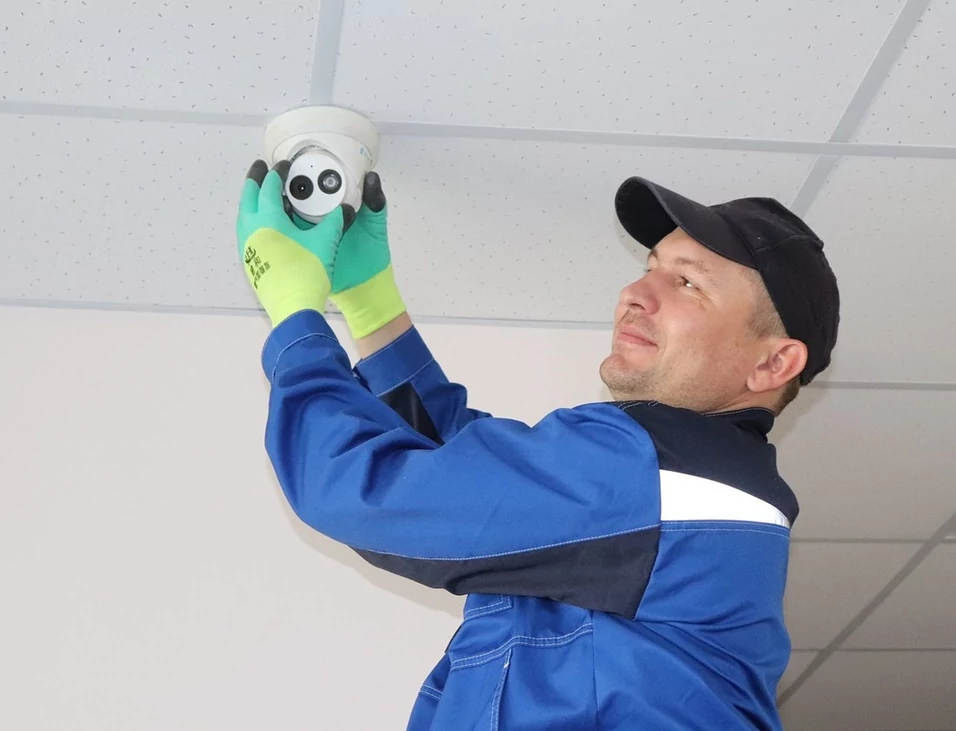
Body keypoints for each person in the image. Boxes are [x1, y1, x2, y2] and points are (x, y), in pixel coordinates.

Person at [235, 159, 840, 730]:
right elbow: (468, 471)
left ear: (773, 364)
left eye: (686, 283)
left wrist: (295, 319)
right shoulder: (667, 484)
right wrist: (372, 306)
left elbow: (367, 493)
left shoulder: (653, 477)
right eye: (651, 266)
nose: (636, 292)